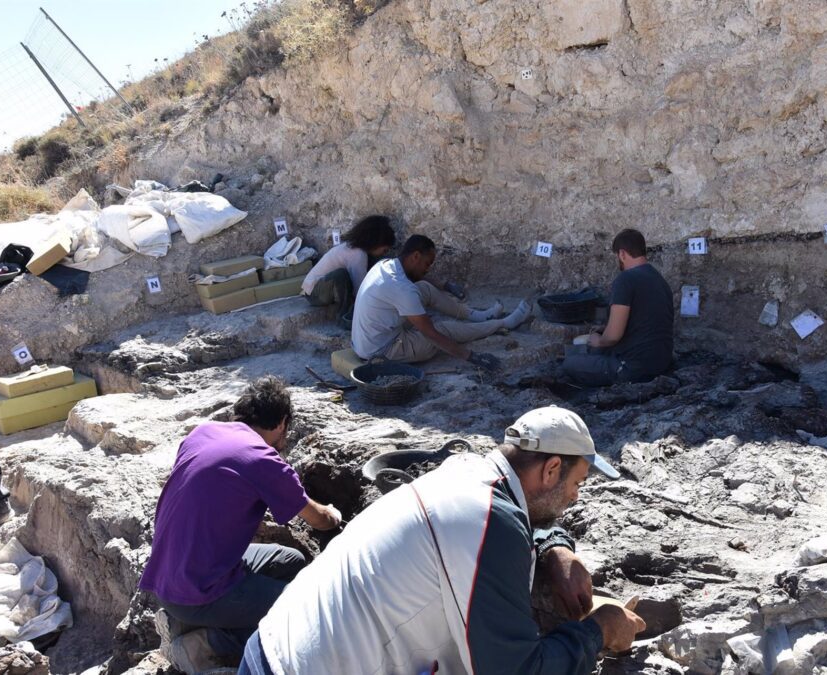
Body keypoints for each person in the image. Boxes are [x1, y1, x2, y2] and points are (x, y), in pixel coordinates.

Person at [239, 406, 645, 675]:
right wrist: (600, 632)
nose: (575, 498)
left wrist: (556, 547)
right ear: (552, 468)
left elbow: (521, 519)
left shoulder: (465, 471)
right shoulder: (489, 523)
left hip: (269, 646)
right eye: (577, 484)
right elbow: (517, 670)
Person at [139, 376, 343, 672]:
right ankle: (207, 645)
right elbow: (319, 520)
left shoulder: (204, 431)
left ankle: (203, 621)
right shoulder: (262, 460)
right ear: (282, 422)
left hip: (169, 574)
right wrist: (334, 514)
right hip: (198, 590)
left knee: (292, 561)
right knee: (302, 612)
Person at [351, 234, 531, 371]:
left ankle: (478, 316)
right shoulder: (402, 289)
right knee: (442, 330)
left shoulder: (386, 265)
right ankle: (503, 323)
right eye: (427, 263)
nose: (427, 268)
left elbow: (421, 278)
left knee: (424, 287)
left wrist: (446, 285)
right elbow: (431, 335)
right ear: (415, 256)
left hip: (369, 340)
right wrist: (471, 357)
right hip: (381, 351)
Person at [562, 228, 674, 386]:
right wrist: (604, 329)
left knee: (569, 363)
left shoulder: (625, 280)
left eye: (617, 256)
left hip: (633, 369)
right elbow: (643, 321)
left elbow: (613, 336)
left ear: (622, 254)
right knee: (595, 351)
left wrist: (598, 340)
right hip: (661, 362)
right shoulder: (659, 279)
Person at [301, 215, 397, 312]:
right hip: (314, 294)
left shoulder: (355, 250)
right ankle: (344, 317)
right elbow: (360, 289)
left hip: (316, 290)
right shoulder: (358, 255)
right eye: (384, 250)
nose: (384, 254)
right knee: (341, 275)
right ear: (376, 243)